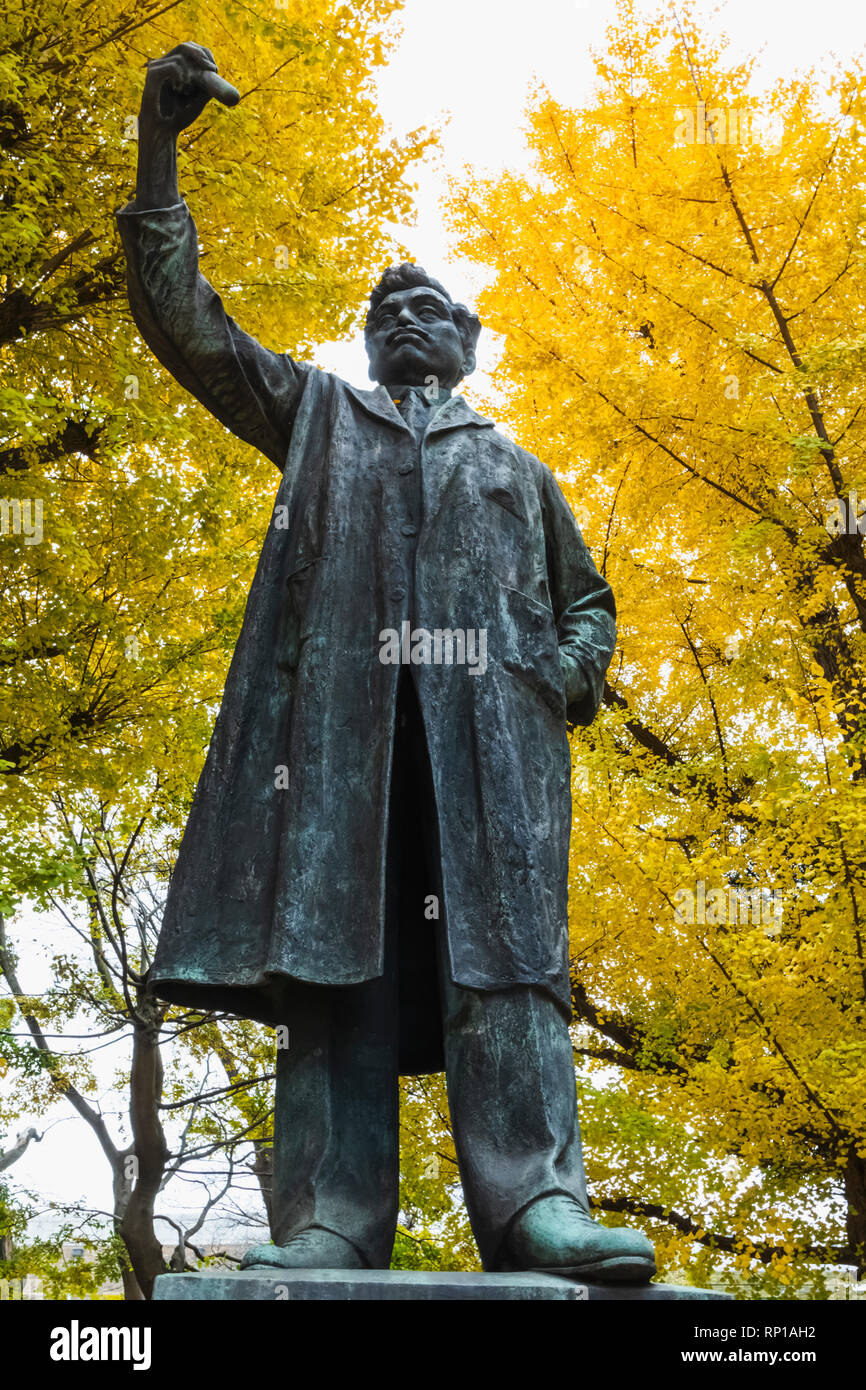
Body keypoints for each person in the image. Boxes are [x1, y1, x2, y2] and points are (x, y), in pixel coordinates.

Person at [117, 42, 656, 1283]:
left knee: (507, 968)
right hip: (342, 748)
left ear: (467, 343)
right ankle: (333, 1216)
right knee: (333, 953)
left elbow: (591, 601)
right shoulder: (316, 417)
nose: (406, 315)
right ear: (366, 346)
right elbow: (186, 327)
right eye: (385, 310)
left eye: (431, 308)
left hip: (497, 755)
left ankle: (536, 1206)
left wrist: (560, 677)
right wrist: (159, 152)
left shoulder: (516, 471)